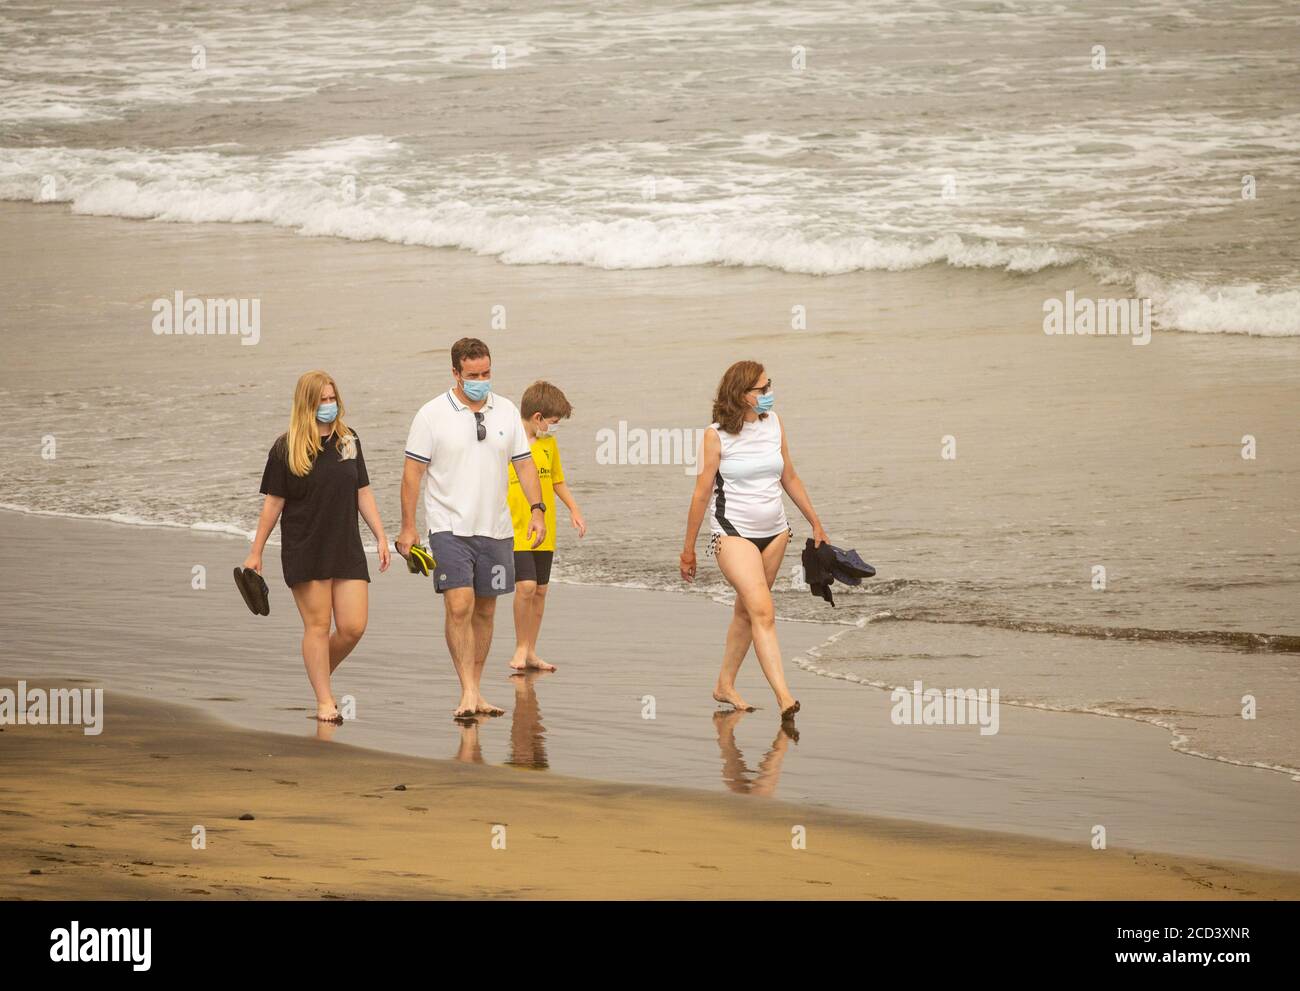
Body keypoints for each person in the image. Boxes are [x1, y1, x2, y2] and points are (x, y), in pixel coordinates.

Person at [396, 338, 547, 719]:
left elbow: (525, 465)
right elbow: (412, 474)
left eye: (487, 373)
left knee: (485, 609)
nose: (481, 380)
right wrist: (408, 527)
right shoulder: (431, 415)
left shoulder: (507, 411)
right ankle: (466, 690)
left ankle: (477, 690)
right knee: (459, 603)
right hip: (449, 527)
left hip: (496, 529)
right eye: (473, 375)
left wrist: (537, 509)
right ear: (455, 374)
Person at [680, 360, 828, 719]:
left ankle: (724, 685)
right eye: (761, 389)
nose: (768, 394)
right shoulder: (715, 435)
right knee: (763, 610)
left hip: (776, 533)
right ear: (741, 394)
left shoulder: (774, 423)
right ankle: (784, 697)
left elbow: (789, 476)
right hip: (733, 535)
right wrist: (688, 550)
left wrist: (816, 522)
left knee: (747, 612)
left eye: (769, 386)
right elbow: (701, 494)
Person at [245, 370, 390, 723]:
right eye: (321, 400)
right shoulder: (286, 448)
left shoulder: (348, 440)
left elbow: (363, 492)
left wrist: (381, 535)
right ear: (306, 404)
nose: (329, 405)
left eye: (332, 398)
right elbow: (273, 504)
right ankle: (325, 701)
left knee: (354, 626)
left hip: (346, 546)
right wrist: (256, 552)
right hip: (305, 546)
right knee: (318, 627)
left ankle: (318, 671)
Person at [506, 380, 586, 672]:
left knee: (540, 590)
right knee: (525, 586)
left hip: (546, 529)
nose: (553, 428)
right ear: (537, 417)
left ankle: (531, 651)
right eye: (552, 422)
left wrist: (574, 510)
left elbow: (557, 482)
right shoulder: (509, 443)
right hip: (516, 528)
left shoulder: (549, 445)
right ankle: (519, 647)